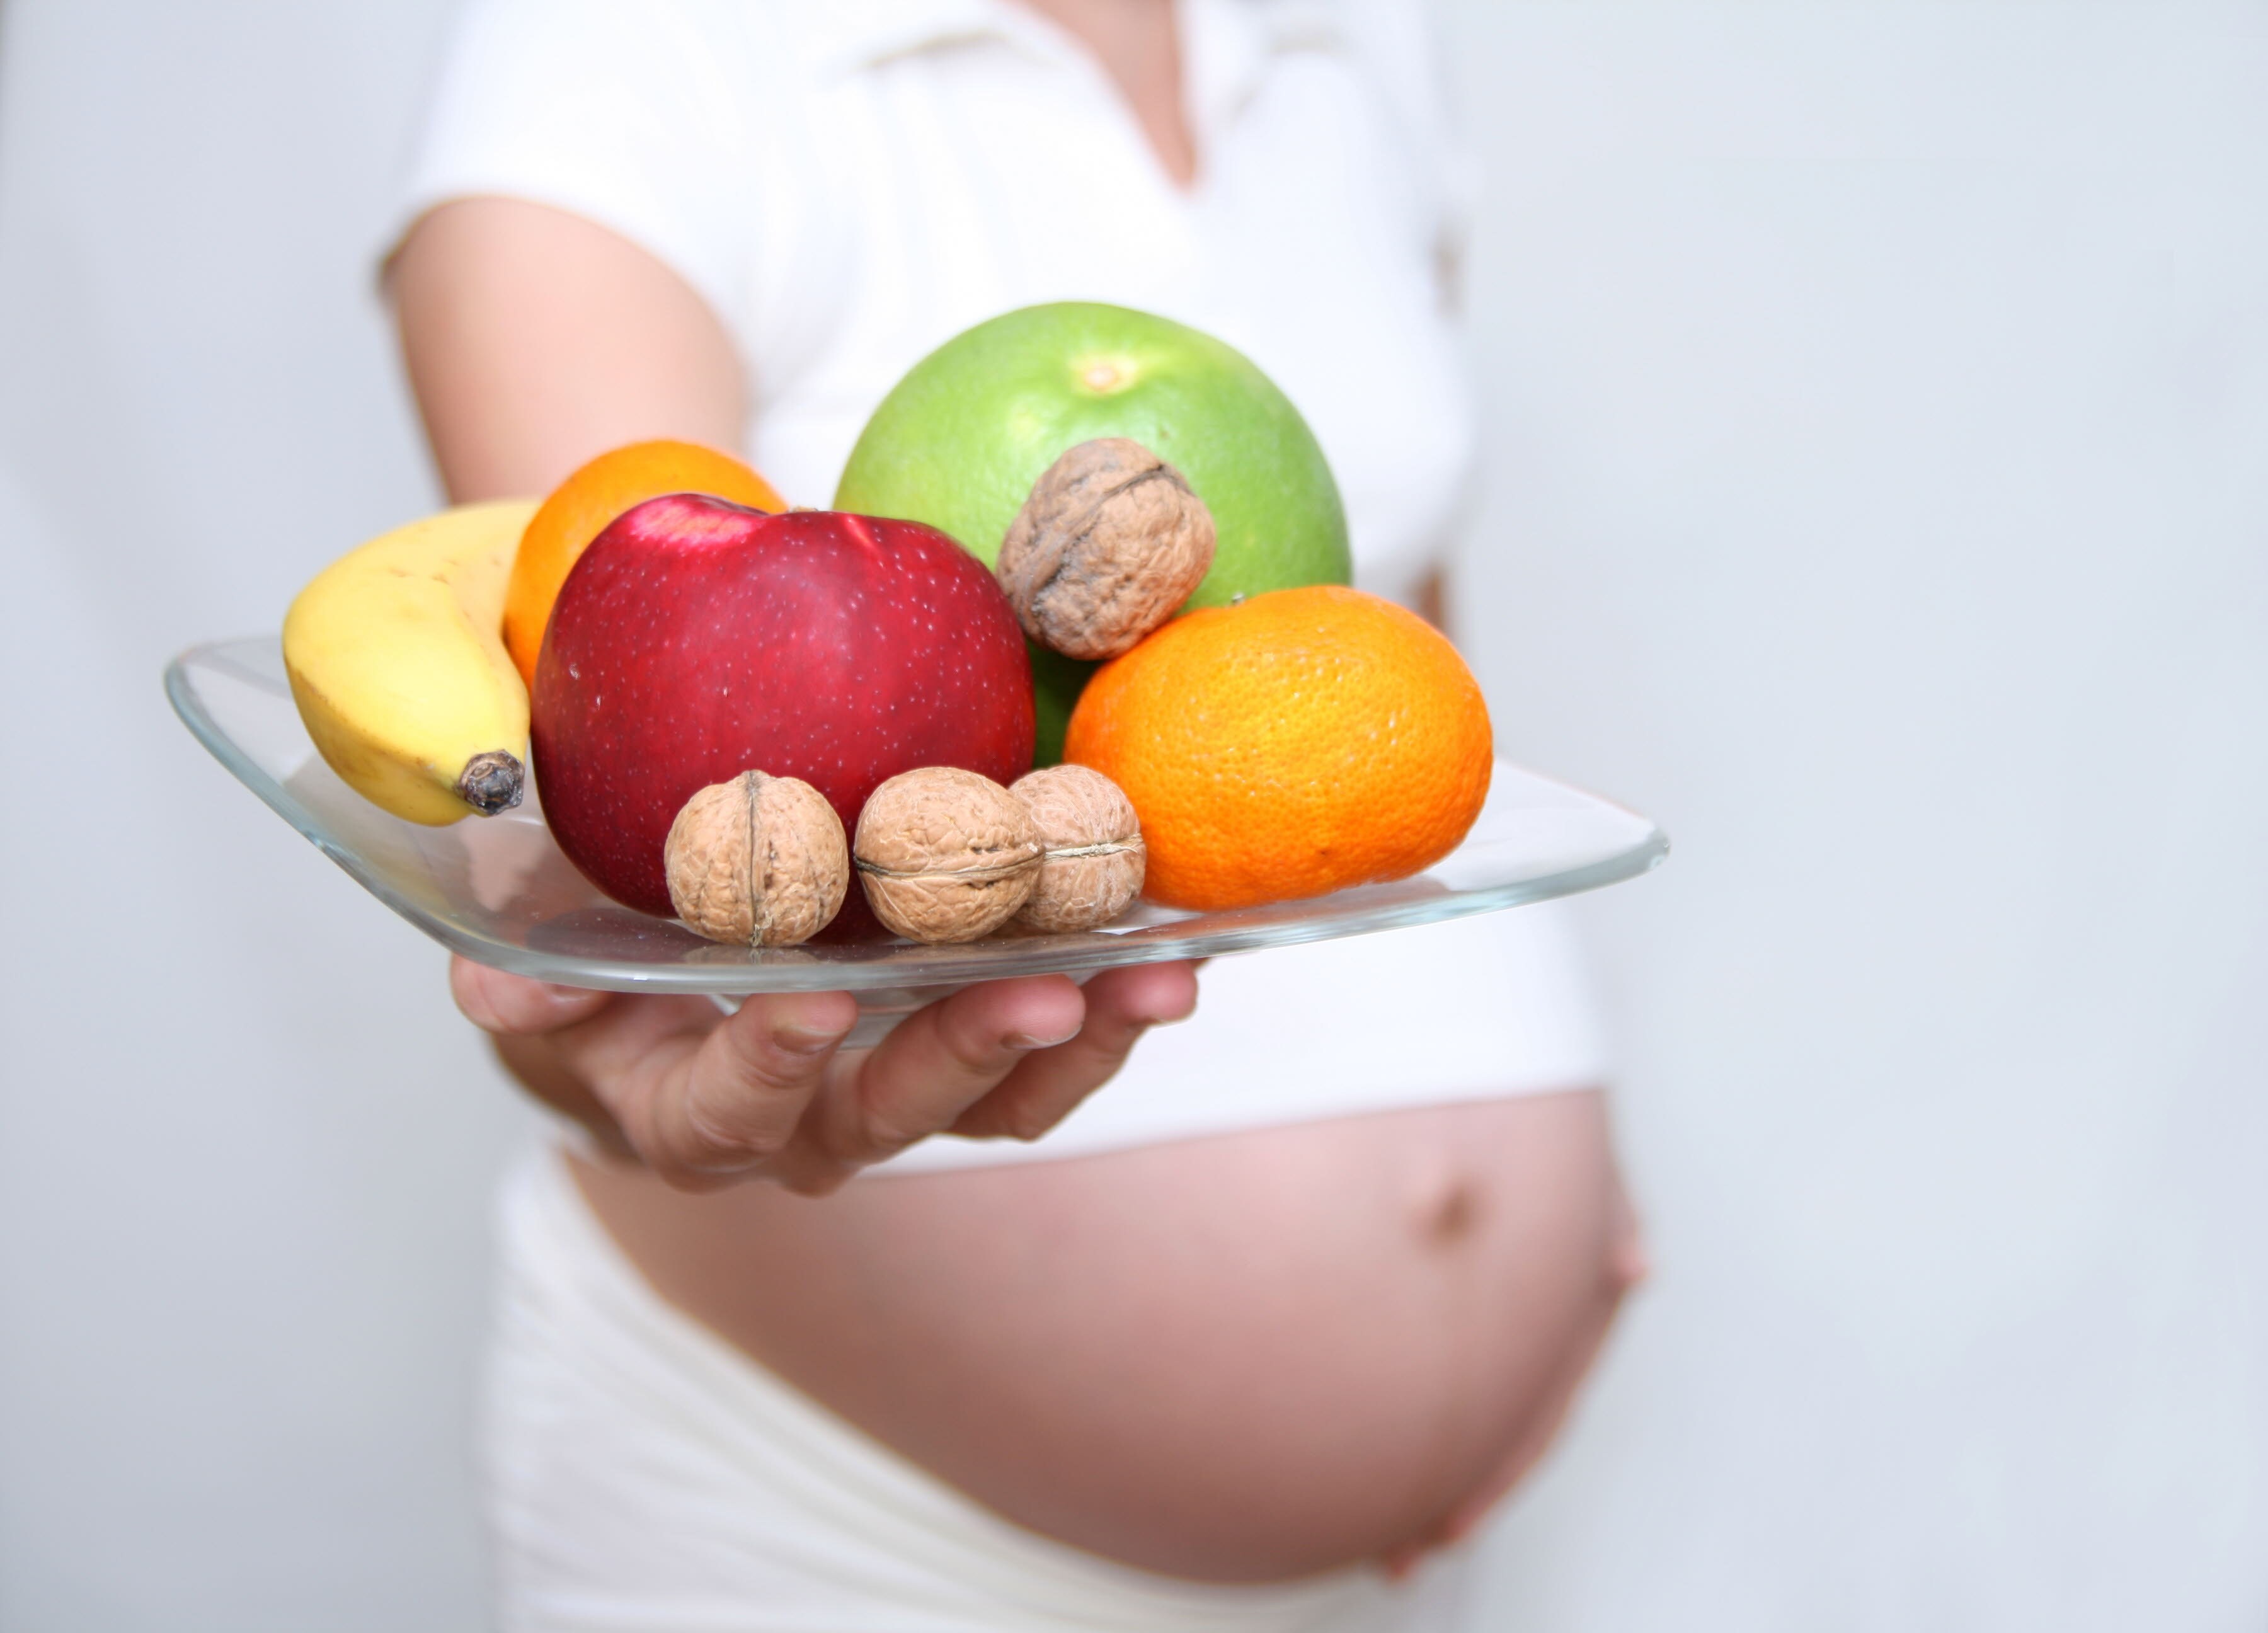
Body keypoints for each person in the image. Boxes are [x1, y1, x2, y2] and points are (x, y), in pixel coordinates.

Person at [388, 1, 1643, 1627]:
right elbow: (606, 778)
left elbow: (1383, 668)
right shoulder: (632, 44)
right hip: (830, 1529)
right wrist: (599, 1051)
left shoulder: (1364, 34)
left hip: (1389, 1560)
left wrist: (1545, 1193)